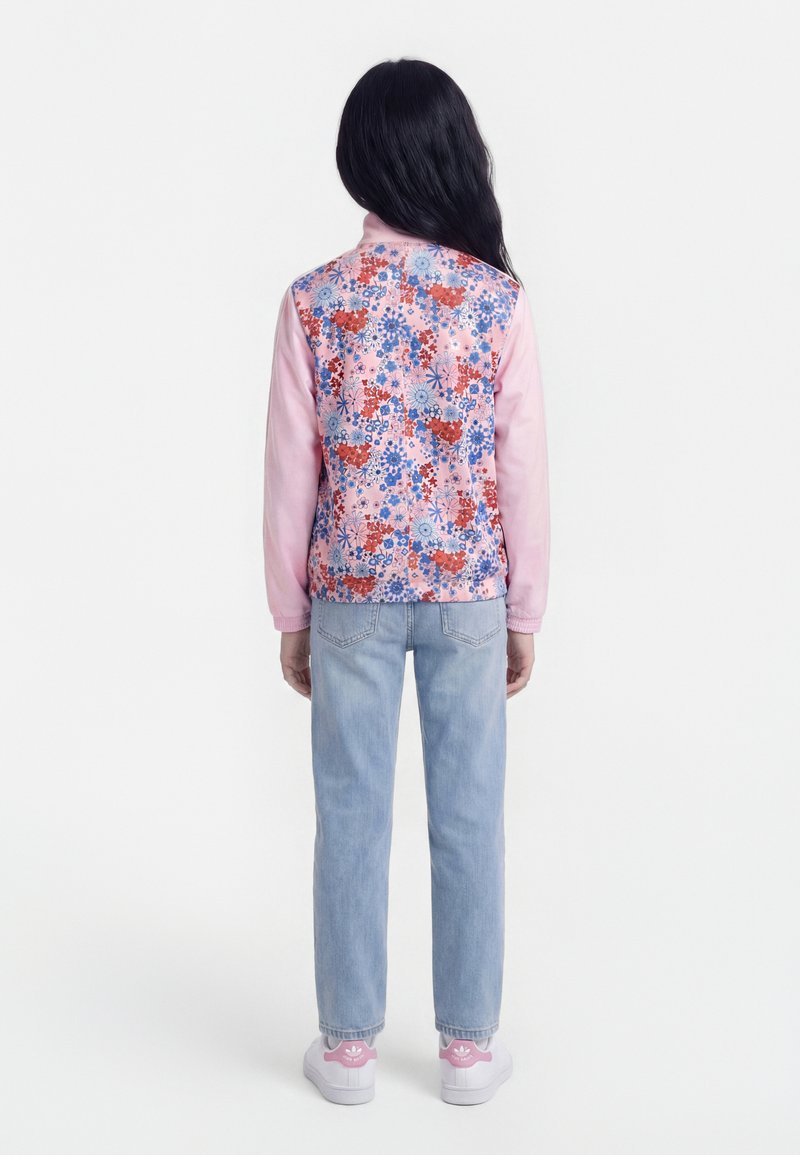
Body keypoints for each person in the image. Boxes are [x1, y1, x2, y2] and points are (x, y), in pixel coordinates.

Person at [262, 57, 551, 1106]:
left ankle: (346, 1051)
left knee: (349, 815)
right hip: (469, 589)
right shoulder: (494, 300)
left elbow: (290, 471)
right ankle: (467, 1050)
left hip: (351, 593)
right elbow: (521, 467)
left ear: (358, 161)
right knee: (468, 818)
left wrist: (290, 613)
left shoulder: (314, 302)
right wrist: (524, 609)